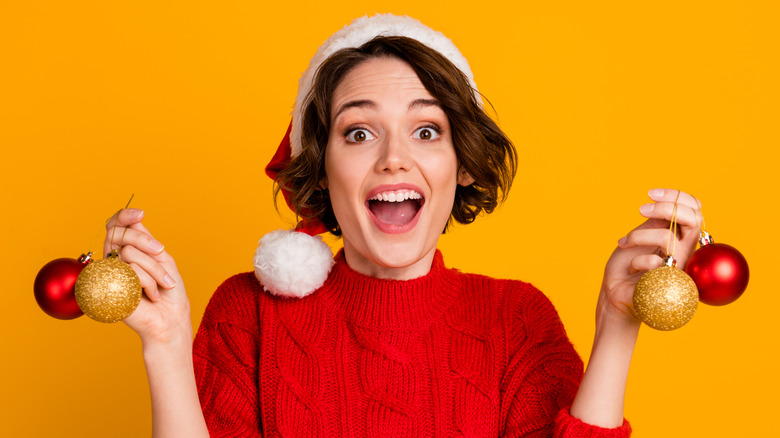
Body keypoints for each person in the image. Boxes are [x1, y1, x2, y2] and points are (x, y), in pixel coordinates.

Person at [105, 15, 703, 437]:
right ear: (321, 167)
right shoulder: (248, 315)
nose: (394, 157)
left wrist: (617, 329)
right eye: (358, 133)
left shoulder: (517, 321)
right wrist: (165, 350)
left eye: (427, 130)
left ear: (462, 164)